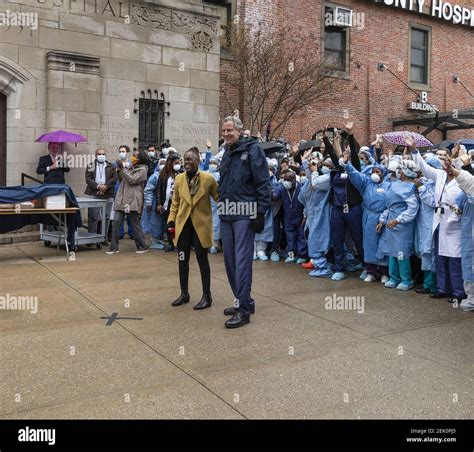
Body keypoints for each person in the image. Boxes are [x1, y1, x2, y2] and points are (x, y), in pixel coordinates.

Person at [218, 116, 271, 329]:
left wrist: (261, 212)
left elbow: (263, 182)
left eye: (230, 130)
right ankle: (243, 300)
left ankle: (243, 311)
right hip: (226, 212)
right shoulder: (226, 154)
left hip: (245, 213)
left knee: (242, 262)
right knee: (229, 261)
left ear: (240, 131)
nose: (226, 134)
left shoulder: (253, 150)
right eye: (223, 131)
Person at [409, 138, 466, 303]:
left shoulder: (463, 179)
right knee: (440, 257)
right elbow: (423, 167)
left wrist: (456, 157)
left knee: (454, 259)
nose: (446, 165)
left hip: (455, 223)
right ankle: (443, 288)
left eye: (450, 162)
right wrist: (414, 150)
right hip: (439, 221)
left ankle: (458, 292)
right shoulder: (440, 175)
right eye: (445, 162)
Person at [167, 148, 219, 309]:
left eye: (190, 159)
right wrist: (171, 220)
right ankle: (184, 293)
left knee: (202, 260)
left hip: (201, 226)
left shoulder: (208, 179)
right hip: (183, 226)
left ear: (198, 161)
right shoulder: (179, 179)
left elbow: (219, 198)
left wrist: (229, 217)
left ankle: (207, 296)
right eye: (185, 159)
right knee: (182, 258)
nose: (187, 162)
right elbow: (175, 202)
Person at [323, 123, 364, 281]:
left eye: (347, 150)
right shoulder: (337, 169)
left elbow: (353, 152)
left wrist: (350, 133)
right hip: (338, 208)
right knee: (337, 238)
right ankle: (338, 267)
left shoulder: (355, 168)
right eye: (343, 150)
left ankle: (365, 265)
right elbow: (334, 154)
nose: (344, 153)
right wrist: (326, 137)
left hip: (353, 208)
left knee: (358, 238)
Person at [343, 155, 391, 283]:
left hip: (383, 217)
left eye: (378, 171)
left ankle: (384, 273)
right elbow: (354, 175)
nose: (375, 174)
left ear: (383, 173)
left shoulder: (389, 185)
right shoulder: (366, 183)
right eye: (373, 172)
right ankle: (371, 271)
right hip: (369, 217)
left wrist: (384, 218)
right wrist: (347, 164)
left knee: (383, 245)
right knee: (369, 244)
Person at [376, 160, 420, 290]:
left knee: (401, 252)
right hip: (390, 223)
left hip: (402, 226)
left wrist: (398, 220)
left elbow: (412, 209)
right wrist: (382, 220)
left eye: (400, 170)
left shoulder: (410, 188)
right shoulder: (393, 185)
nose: (398, 172)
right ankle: (393, 277)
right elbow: (389, 207)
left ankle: (406, 279)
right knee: (391, 251)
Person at [107, 150, 149, 254]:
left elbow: (132, 180)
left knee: (134, 223)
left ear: (140, 159)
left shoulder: (143, 170)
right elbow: (123, 180)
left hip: (132, 200)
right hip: (122, 198)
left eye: (135, 156)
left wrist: (122, 168)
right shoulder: (131, 168)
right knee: (116, 221)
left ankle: (142, 246)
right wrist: (119, 171)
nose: (133, 158)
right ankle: (114, 247)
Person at [272, 170, 307, 264]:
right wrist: (270, 194)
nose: (286, 182)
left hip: (300, 216)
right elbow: (275, 196)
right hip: (288, 217)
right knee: (290, 237)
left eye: (288, 180)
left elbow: (307, 203)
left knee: (301, 236)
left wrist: (305, 215)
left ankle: (302, 255)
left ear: (294, 180)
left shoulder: (301, 187)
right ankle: (292, 255)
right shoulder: (281, 187)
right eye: (285, 179)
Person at [84, 148, 116, 246]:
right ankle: (91, 238)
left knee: (106, 217)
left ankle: (104, 238)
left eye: (103, 154)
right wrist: (98, 187)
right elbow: (88, 179)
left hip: (108, 193)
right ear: (95, 155)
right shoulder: (90, 165)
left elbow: (114, 178)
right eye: (99, 154)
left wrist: (105, 187)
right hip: (94, 193)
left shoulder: (111, 165)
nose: (101, 156)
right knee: (94, 216)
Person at [155, 152, 183, 252]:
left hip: (179, 205)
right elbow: (158, 189)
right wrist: (159, 203)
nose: (177, 165)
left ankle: (178, 245)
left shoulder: (182, 173)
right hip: (167, 204)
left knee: (178, 226)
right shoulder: (164, 174)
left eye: (178, 163)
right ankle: (172, 244)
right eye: (175, 163)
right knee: (170, 226)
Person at [207, 155, 221, 254]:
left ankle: (214, 244)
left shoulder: (220, 175)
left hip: (217, 203)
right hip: (206, 203)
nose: (213, 165)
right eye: (211, 163)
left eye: (215, 163)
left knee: (216, 224)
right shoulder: (204, 174)